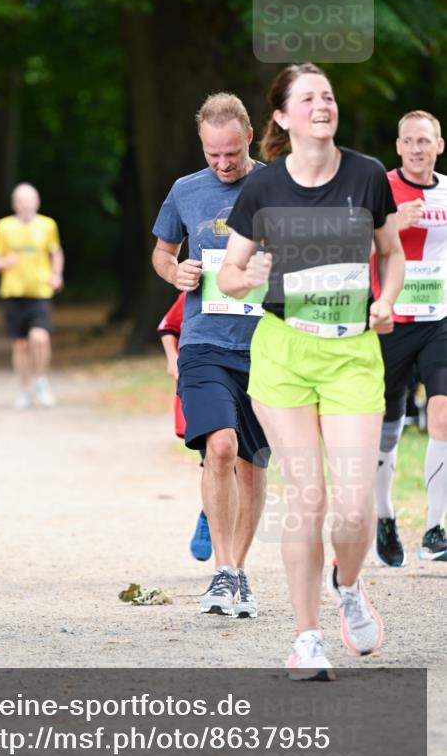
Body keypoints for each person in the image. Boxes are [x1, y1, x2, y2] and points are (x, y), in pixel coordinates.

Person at [218, 62, 404, 679]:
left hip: (352, 353)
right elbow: (228, 274)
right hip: (285, 353)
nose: (322, 105)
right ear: (281, 116)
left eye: (327, 96)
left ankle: (347, 585)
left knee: (353, 510)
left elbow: (392, 252)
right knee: (309, 499)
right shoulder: (263, 188)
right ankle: (306, 638)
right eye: (308, 98)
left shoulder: (368, 175)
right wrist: (253, 279)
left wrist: (385, 301)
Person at [152, 93, 269, 620]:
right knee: (220, 446)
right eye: (211, 154)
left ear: (248, 136)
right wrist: (173, 271)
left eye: (231, 153)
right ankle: (222, 571)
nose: (222, 165)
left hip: (266, 346)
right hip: (204, 342)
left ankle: (239, 572)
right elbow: (161, 250)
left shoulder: (277, 185)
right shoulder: (185, 191)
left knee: (252, 461)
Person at [373, 110, 447, 565]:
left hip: (440, 321)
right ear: (398, 147)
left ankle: (436, 529)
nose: (417, 149)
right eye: (409, 141)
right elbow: (346, 247)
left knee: (442, 416)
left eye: (425, 141)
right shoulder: (378, 189)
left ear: (439, 145)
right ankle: (384, 516)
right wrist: (392, 225)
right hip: (390, 322)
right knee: (387, 431)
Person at [0, 184, 64, 409]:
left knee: (40, 338)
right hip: (13, 292)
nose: (26, 204)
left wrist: (56, 275)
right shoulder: (4, 226)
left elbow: (56, 252)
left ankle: (41, 381)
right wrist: (3, 263)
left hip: (40, 292)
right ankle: (24, 389)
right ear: (14, 204)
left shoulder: (47, 225)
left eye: (30, 199)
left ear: (37, 202)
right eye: (21, 200)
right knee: (21, 345)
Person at [157, 292, 212, 561]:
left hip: (254, 382)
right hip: (209, 382)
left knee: (245, 468)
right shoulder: (205, 281)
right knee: (216, 458)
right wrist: (172, 359)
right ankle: (209, 516)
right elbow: (169, 326)